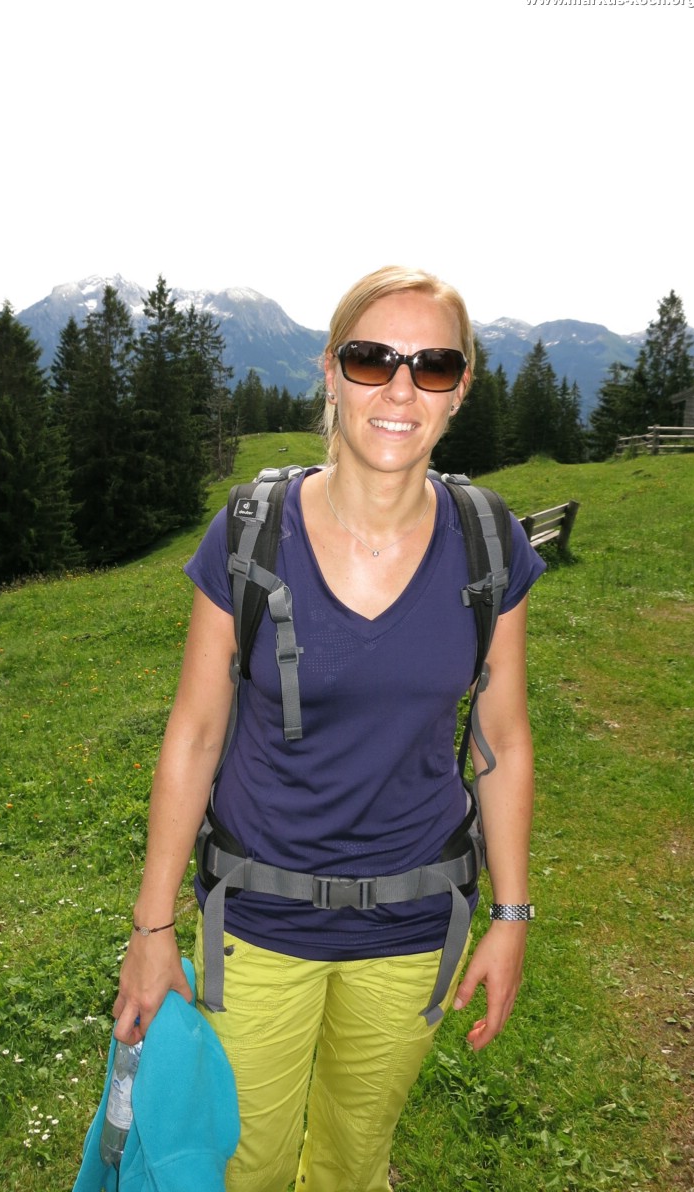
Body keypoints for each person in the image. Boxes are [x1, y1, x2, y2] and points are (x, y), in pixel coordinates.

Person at [112, 266, 545, 1191]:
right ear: (332, 372)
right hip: (256, 919)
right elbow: (194, 732)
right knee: (243, 1167)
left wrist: (511, 916)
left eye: (433, 366)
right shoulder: (250, 533)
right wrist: (152, 927)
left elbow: (501, 738)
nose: (400, 389)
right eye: (372, 359)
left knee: (354, 1165)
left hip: (417, 921)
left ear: (460, 389)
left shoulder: (487, 540)